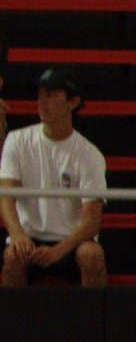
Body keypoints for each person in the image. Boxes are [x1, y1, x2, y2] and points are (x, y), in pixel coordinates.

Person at [1, 68, 107, 289]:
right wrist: (18, 234)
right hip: (29, 238)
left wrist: (58, 251)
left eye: (50, 95)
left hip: (71, 242)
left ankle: (94, 322)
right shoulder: (17, 140)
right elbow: (6, 196)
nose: (42, 101)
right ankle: (11, 323)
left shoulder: (89, 154)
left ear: (73, 102)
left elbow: (92, 221)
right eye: (40, 95)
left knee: (92, 255)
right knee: (12, 257)